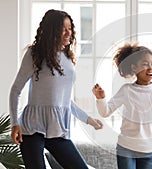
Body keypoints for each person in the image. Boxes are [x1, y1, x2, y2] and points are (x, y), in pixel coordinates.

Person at [9, 9, 103, 169]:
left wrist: (88, 119)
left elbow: (65, 101)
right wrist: (14, 124)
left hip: (57, 129)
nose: (69, 33)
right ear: (52, 30)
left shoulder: (68, 58)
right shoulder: (35, 54)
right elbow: (16, 90)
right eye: (63, 29)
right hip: (32, 129)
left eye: (70, 28)